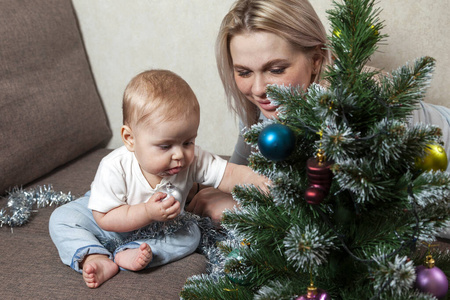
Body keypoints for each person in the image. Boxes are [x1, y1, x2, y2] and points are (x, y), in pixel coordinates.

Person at [186, 0, 450, 223]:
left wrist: (238, 209)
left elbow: (346, 219)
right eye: (243, 72)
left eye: (276, 69)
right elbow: (237, 172)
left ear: (315, 60)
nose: (258, 89)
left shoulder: (352, 106)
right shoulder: (268, 111)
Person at [49, 69, 268, 288]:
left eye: (187, 142)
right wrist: (146, 212)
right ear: (130, 139)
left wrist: (259, 181)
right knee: (62, 218)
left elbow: (228, 173)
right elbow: (104, 217)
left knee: (190, 236)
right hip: (112, 221)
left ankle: (134, 251)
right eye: (165, 146)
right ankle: (93, 256)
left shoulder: (192, 160)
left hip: (162, 228)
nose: (179, 155)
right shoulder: (115, 166)